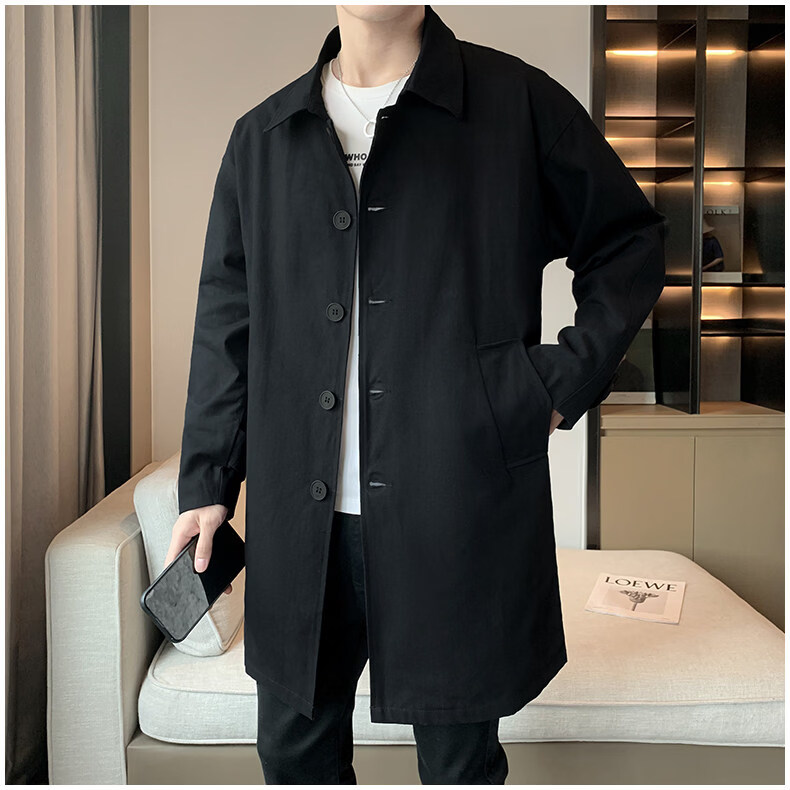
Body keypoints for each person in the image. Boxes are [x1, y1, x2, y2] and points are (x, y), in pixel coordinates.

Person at [167, 4, 667, 784]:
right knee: (294, 760)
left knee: (460, 766)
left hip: (456, 512)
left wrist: (554, 383)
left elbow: (629, 241)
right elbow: (227, 324)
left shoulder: (514, 104)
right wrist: (206, 483)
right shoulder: (262, 138)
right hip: (300, 531)